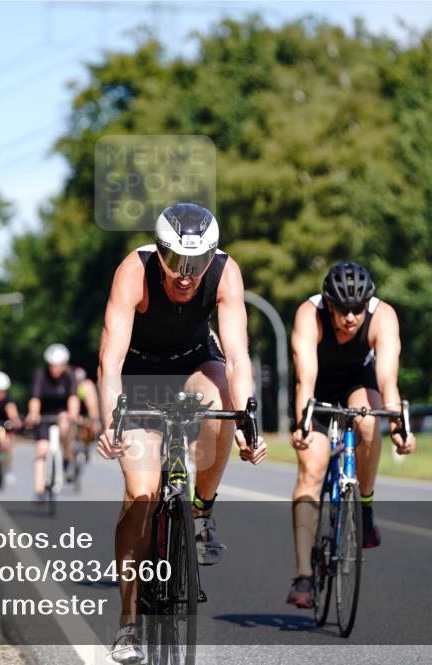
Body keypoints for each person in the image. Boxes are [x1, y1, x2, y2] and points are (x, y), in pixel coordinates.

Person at [95, 203, 268, 663]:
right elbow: (109, 361)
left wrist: (249, 420)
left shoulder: (226, 274)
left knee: (222, 404)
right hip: (138, 375)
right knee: (141, 492)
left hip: (195, 363)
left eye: (196, 264)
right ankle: (129, 622)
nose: (185, 275)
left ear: (211, 256)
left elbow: (237, 358)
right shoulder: (134, 271)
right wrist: (108, 420)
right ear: (161, 252)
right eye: (175, 263)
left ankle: (202, 511)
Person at [286, 260, 417, 609]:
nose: (350, 318)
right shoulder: (308, 315)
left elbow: (388, 380)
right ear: (329, 304)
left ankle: (366, 505)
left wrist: (399, 427)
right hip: (318, 389)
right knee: (311, 471)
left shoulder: (384, 317)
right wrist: (302, 422)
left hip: (360, 383)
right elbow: (305, 378)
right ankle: (303, 576)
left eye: (357, 309)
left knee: (368, 421)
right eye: (342, 309)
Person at [25, 344, 80, 501]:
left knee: (65, 424)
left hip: (62, 414)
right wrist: (34, 413)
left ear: (64, 365)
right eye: (52, 366)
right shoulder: (40, 375)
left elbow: (73, 398)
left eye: (58, 366)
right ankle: (40, 490)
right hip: (43, 417)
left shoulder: (69, 376)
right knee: (42, 451)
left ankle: (67, 457)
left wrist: (73, 415)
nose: (55, 369)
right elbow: (35, 398)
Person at [73, 366, 101, 462]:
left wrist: (94, 420)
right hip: (73, 413)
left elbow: (92, 406)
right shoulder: (69, 385)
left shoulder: (87, 385)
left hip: (85, 413)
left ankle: (86, 446)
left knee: (90, 428)